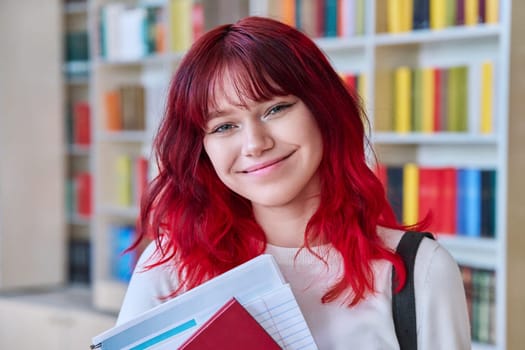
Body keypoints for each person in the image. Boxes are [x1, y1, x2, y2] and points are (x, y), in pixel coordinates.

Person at [116, 16, 471, 349]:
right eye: (224, 126)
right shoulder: (167, 268)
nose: (255, 144)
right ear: (201, 150)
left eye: (275, 109)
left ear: (323, 109)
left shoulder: (420, 270)